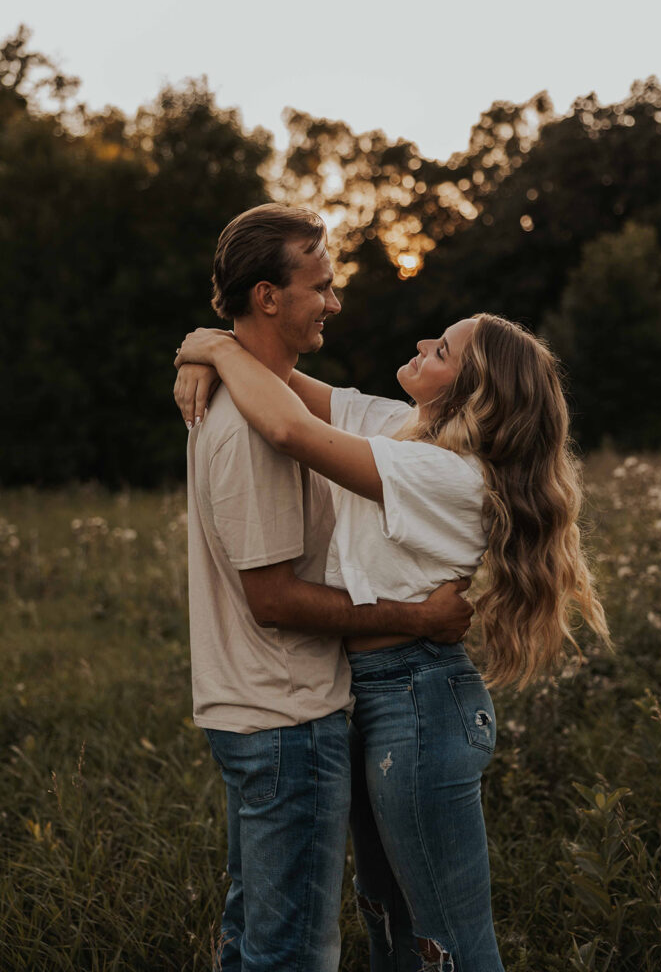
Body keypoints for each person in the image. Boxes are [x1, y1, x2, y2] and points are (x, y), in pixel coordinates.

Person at [174, 310, 611, 972]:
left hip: (419, 701)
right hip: (385, 699)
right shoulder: (400, 427)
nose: (416, 344)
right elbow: (283, 379)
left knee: (448, 945)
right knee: (388, 923)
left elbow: (289, 428)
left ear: (470, 394)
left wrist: (209, 345)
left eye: (438, 350)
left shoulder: (444, 472)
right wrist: (209, 352)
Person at [176, 203, 473, 972]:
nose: (335, 303)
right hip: (285, 715)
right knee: (290, 953)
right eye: (322, 285)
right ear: (268, 297)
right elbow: (270, 599)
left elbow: (304, 408)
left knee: (260, 939)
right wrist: (417, 615)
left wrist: (209, 345)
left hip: (278, 712)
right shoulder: (249, 425)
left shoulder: (274, 402)